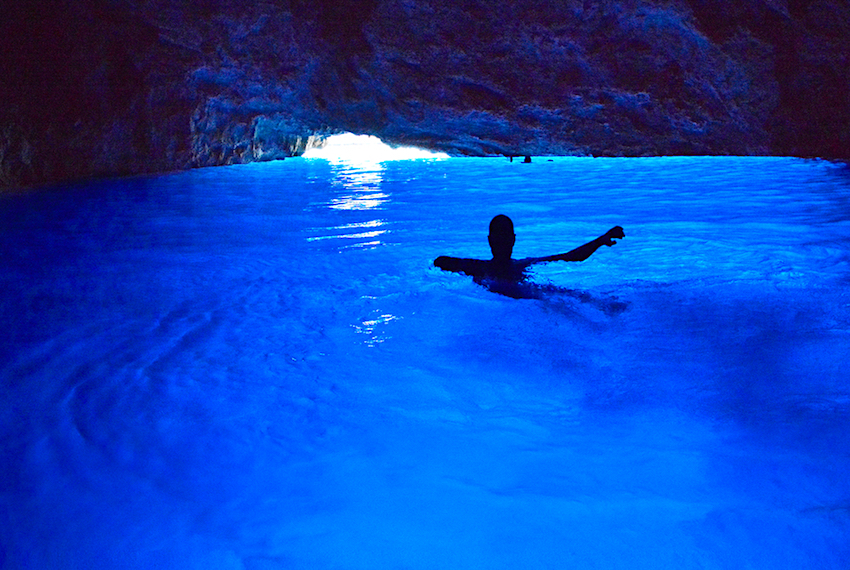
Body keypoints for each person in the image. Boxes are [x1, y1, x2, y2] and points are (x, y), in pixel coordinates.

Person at [434, 214, 625, 296]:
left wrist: (601, 239)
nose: (501, 243)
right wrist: (601, 239)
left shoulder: (478, 268)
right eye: (499, 239)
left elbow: (571, 257)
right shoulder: (521, 266)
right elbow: (571, 257)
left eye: (503, 238)